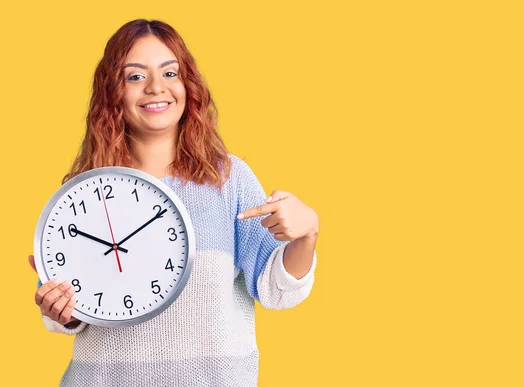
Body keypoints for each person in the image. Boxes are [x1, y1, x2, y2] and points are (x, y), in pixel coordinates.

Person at [28, 19, 319, 387]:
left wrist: (307, 235)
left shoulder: (228, 179)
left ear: (188, 85)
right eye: (134, 77)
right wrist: (61, 308)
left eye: (170, 72)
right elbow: (73, 314)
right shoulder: (84, 192)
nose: (155, 87)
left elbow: (276, 291)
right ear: (113, 92)